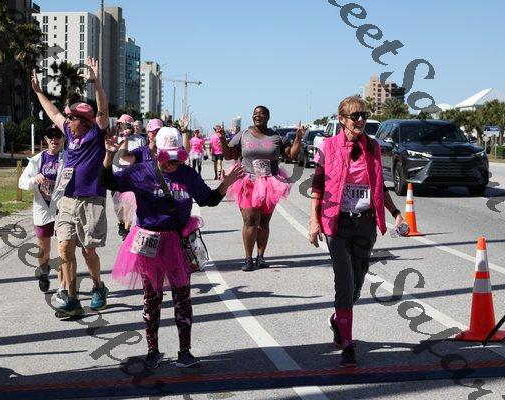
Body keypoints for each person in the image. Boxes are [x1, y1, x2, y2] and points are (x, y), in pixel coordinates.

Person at [101, 127, 244, 369]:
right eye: (168, 157)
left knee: (183, 298)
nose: (172, 163)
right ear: (156, 152)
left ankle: (185, 353)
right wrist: (108, 155)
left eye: (177, 157)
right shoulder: (140, 172)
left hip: (178, 242)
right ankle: (153, 351)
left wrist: (227, 182)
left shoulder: (187, 174)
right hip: (149, 242)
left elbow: (208, 199)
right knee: (152, 299)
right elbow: (107, 181)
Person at [308, 96, 405, 368]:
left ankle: (337, 319)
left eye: (364, 115)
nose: (360, 120)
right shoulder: (327, 146)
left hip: (365, 224)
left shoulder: (374, 147)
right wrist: (313, 220)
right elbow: (318, 185)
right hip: (336, 223)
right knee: (344, 282)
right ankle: (348, 346)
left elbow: (379, 187)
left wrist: (395, 213)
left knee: (357, 284)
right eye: (355, 116)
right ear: (342, 119)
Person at [31, 57, 110, 317]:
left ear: (83, 120)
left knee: (88, 251)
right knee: (64, 247)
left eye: (71, 117)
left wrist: (96, 82)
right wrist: (39, 92)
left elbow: (102, 109)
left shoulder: (96, 132)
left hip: (91, 200)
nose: (66, 120)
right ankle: (72, 298)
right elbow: (53, 113)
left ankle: (98, 286)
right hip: (67, 199)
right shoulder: (69, 131)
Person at [220, 105, 304, 271]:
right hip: (248, 182)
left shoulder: (276, 136)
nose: (257, 116)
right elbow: (229, 155)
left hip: (269, 184)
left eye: (261, 113)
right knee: (250, 220)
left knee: (264, 222)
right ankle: (248, 259)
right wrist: (222, 138)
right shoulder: (243, 134)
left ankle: (260, 257)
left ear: (268, 117)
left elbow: (290, 155)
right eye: (255, 113)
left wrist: (298, 138)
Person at [18, 125, 67, 300]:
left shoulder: (68, 158)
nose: (54, 139)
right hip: (42, 208)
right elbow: (22, 182)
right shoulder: (37, 160)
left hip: (62, 208)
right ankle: (44, 272)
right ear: (46, 139)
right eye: (50, 136)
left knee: (64, 248)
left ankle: (63, 287)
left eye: (58, 135)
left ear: (63, 138)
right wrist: (34, 178)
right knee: (43, 249)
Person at [112, 114, 145, 240]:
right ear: (119, 124)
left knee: (128, 204)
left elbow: (142, 157)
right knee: (117, 207)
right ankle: (121, 223)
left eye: (129, 125)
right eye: (123, 124)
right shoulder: (114, 138)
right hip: (116, 176)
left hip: (131, 177)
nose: (126, 127)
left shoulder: (139, 140)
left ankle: (127, 229)